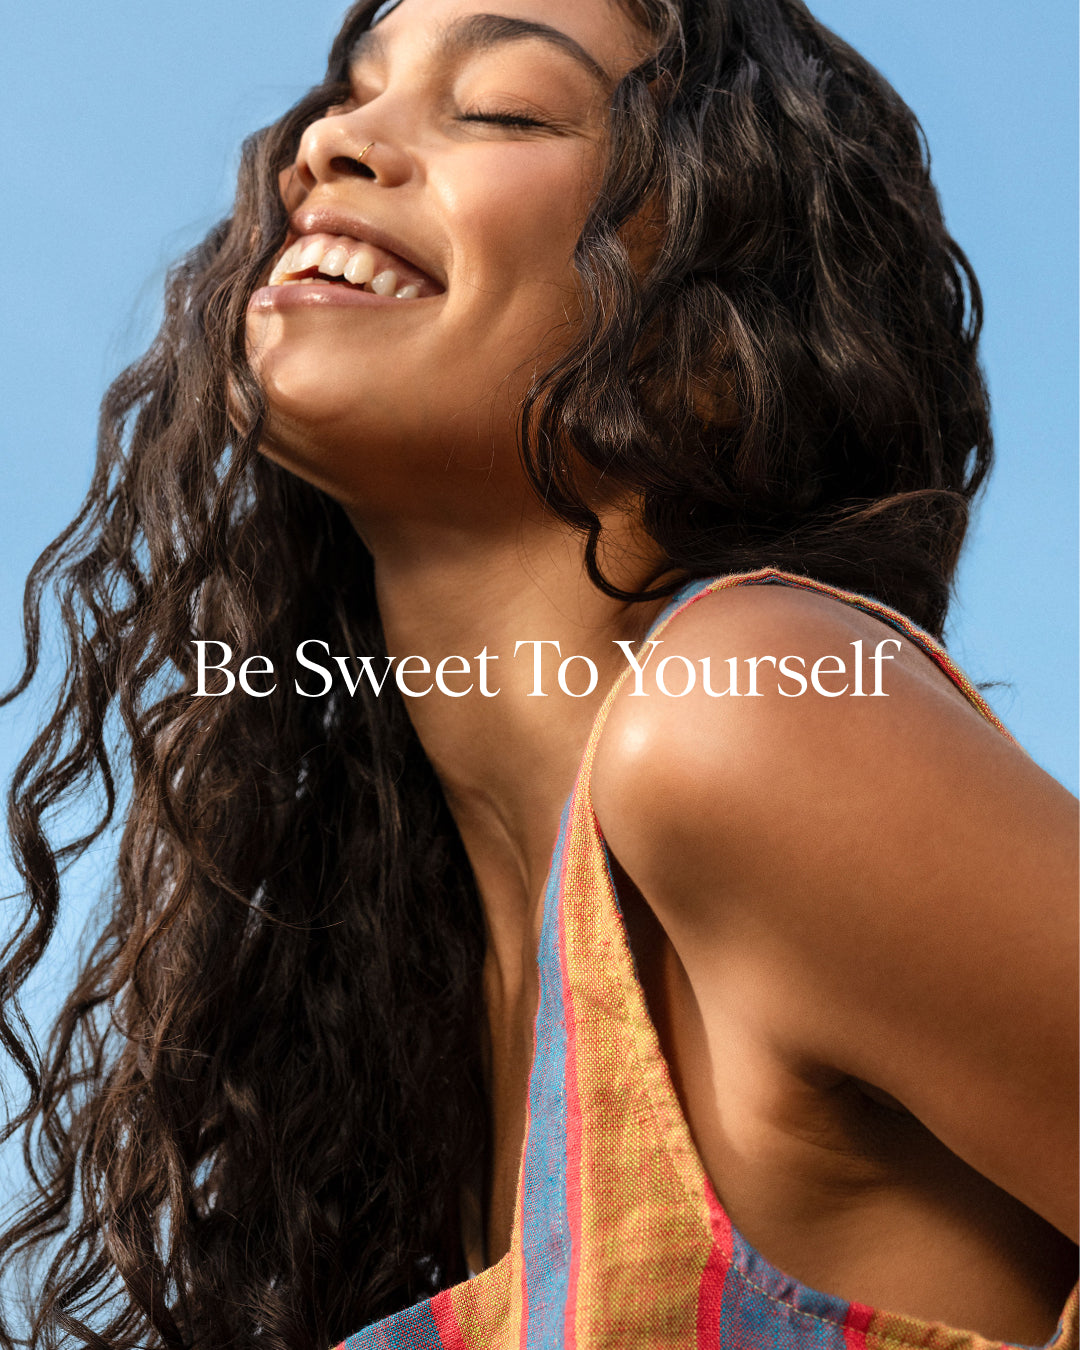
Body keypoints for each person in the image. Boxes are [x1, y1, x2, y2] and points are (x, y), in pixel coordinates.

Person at [0, 0, 1075, 1346]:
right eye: (349, 97)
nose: (326, 146)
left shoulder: (741, 715)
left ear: (715, 346)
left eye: (502, 108)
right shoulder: (422, 1020)